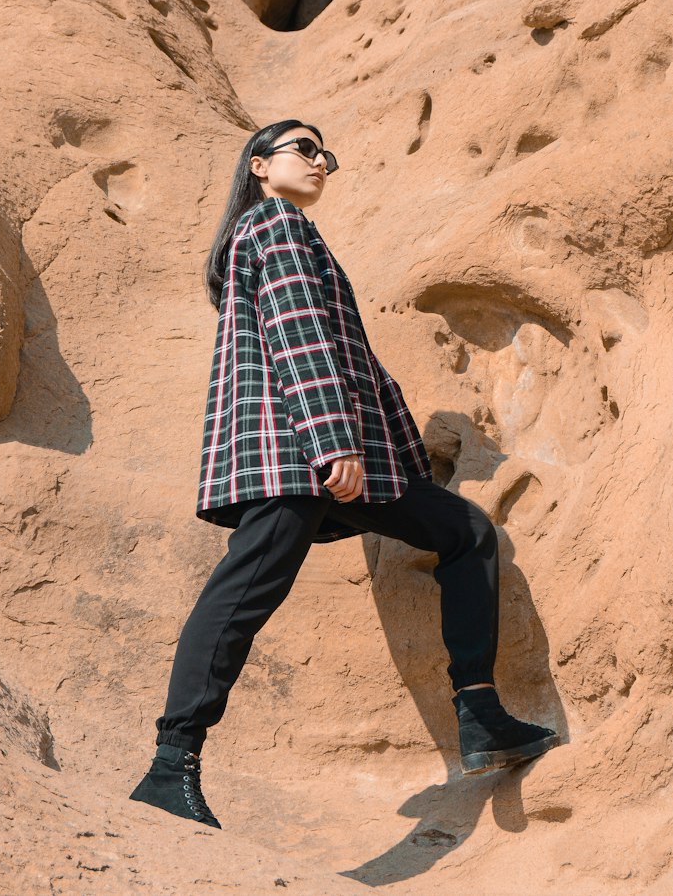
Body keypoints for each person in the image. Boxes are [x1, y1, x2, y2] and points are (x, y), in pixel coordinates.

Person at [129, 119, 558, 828]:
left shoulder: (275, 232)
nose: (321, 160)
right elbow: (301, 338)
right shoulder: (276, 224)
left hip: (319, 452)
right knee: (244, 594)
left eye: (327, 153)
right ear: (259, 166)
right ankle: (170, 765)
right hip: (294, 450)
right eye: (304, 148)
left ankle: (480, 715)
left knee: (464, 532)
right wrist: (334, 442)